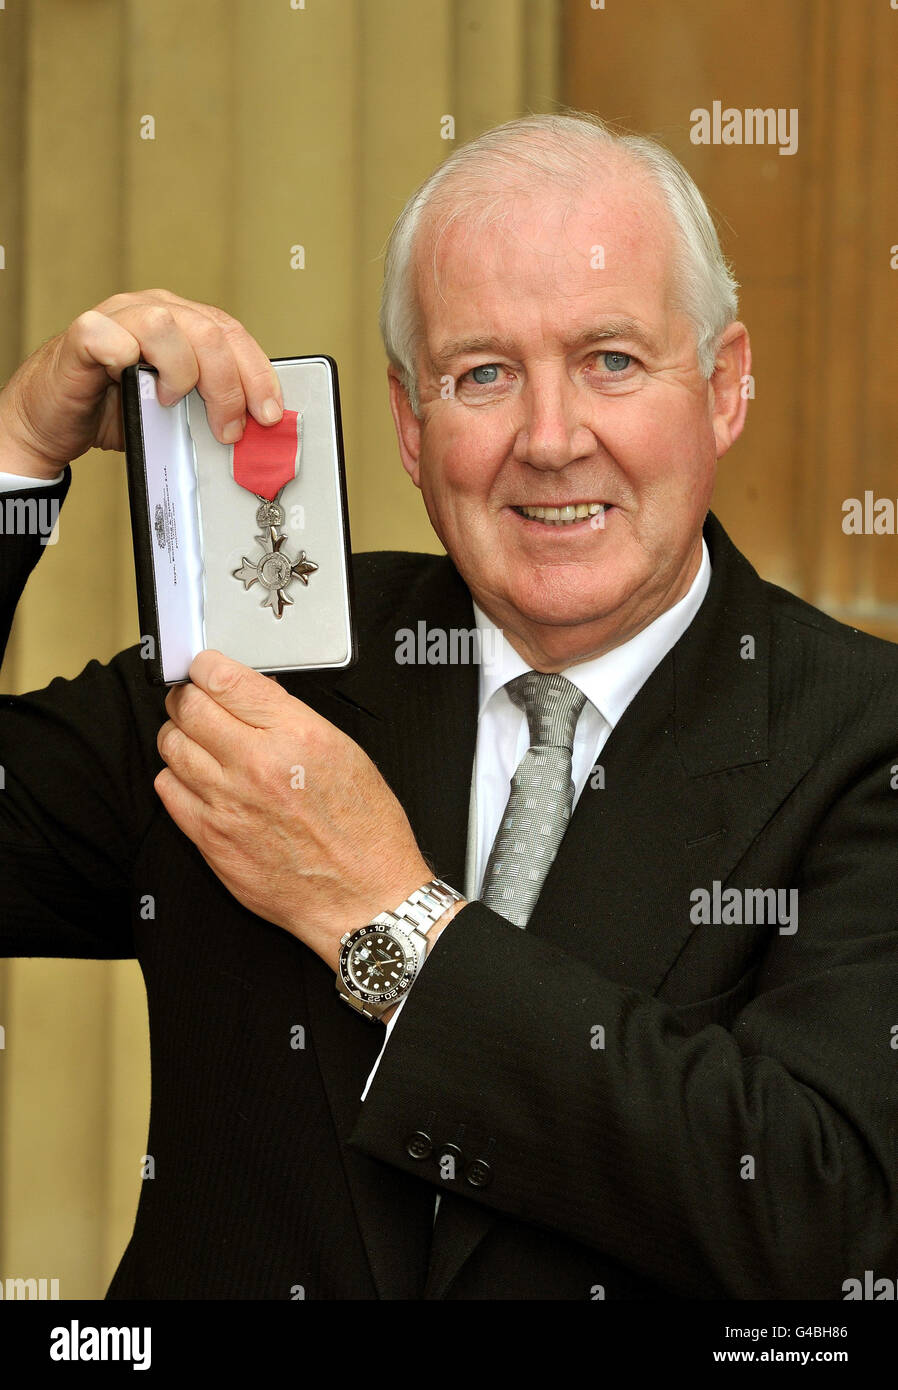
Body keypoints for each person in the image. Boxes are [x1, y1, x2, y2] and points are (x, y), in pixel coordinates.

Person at [0, 111, 896, 1301]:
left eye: (610, 360)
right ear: (411, 428)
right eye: (482, 374)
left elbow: (826, 1220)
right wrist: (17, 452)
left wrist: (389, 917)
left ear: (724, 388)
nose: (549, 438)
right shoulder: (257, 671)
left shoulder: (861, 738)